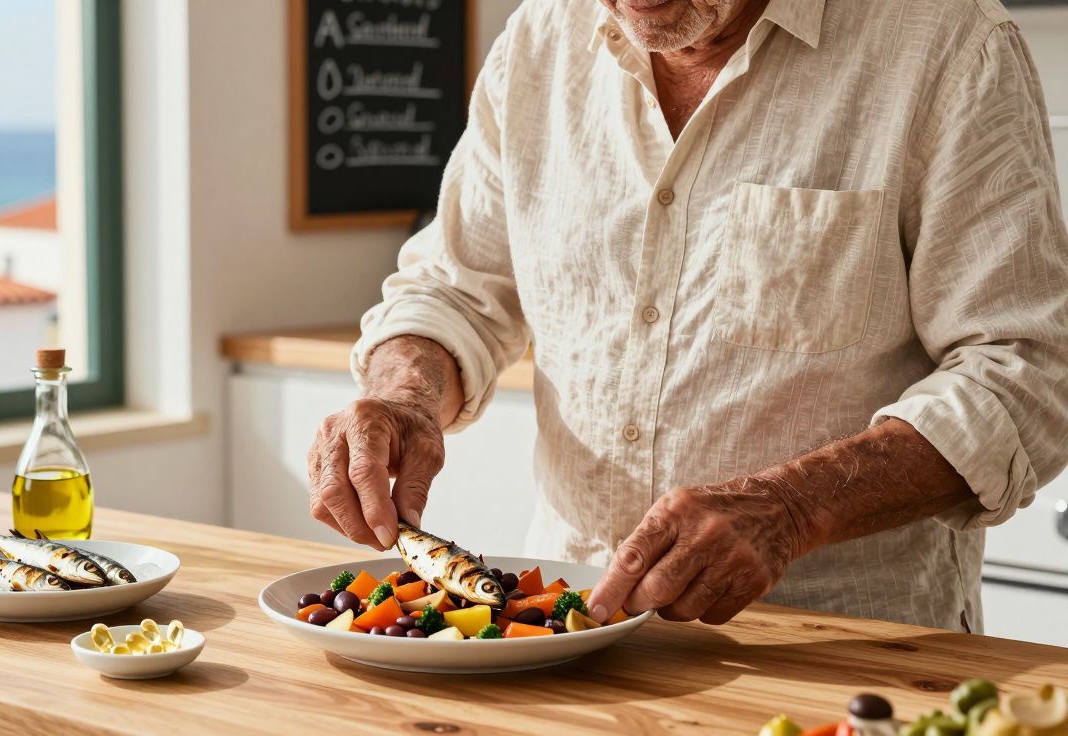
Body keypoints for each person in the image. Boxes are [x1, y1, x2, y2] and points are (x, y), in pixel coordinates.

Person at [306, 0, 1068, 631]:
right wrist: (405, 395)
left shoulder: (948, 44)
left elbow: (1025, 370)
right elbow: (455, 288)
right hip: (560, 634)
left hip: (839, 645)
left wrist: (791, 508)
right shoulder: (539, 38)